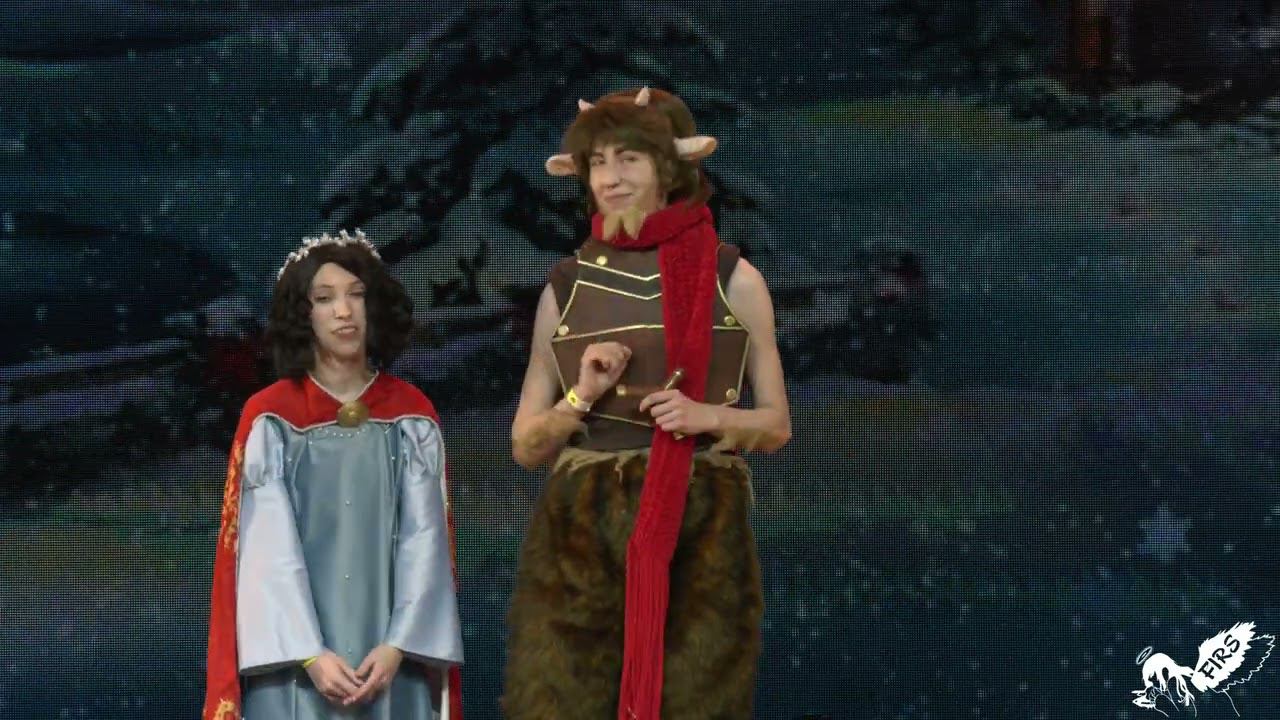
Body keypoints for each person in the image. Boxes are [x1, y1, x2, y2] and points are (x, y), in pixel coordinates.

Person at [503, 87, 791, 720]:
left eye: (628, 158)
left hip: (697, 521)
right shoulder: (565, 287)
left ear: (669, 167)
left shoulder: (734, 279)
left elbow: (775, 424)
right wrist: (581, 395)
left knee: (696, 699)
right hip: (579, 530)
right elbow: (525, 445)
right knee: (561, 702)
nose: (610, 178)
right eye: (598, 161)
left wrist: (708, 417)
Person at [202, 230, 464, 720]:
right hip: (293, 671)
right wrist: (309, 654)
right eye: (324, 299)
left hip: (391, 665)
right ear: (303, 314)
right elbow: (265, 550)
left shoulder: (411, 414)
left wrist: (398, 646)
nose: (344, 311)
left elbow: (425, 541)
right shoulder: (270, 417)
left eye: (356, 295)